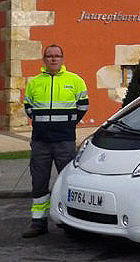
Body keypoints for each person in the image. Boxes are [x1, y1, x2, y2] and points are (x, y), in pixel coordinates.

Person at [22, 44, 89, 238]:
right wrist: (44, 124)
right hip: (40, 141)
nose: (53, 59)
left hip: (64, 140)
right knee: (39, 182)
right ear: (44, 59)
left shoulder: (75, 81)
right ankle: (38, 222)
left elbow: (83, 106)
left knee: (67, 181)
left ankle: (70, 222)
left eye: (57, 56)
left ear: (62, 58)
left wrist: (67, 124)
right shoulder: (34, 82)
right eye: (49, 56)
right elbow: (28, 107)